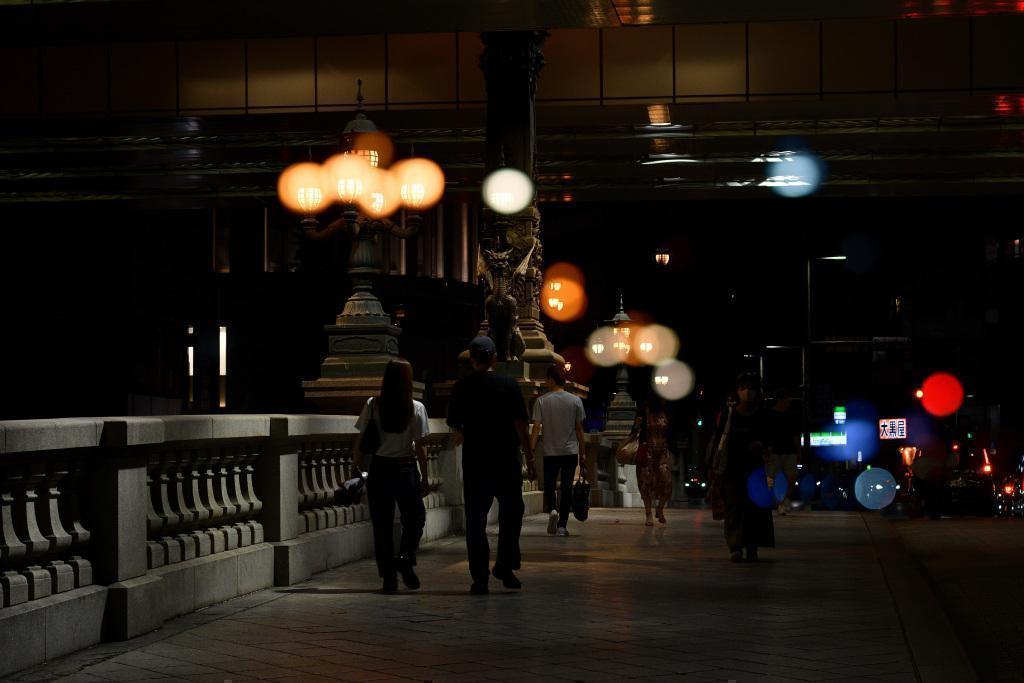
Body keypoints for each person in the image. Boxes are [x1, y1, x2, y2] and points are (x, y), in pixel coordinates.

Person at [447, 336, 537, 595]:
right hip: (506, 459)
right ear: (495, 358)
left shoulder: (461, 387)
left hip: (476, 461)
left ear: (472, 359)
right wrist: (529, 458)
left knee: (476, 520)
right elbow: (521, 424)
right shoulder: (508, 384)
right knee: (512, 512)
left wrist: (464, 432)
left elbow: (455, 423)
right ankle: (505, 564)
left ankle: (480, 578)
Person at [354, 359, 431, 593]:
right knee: (415, 517)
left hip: (379, 468)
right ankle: (405, 557)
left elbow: (361, 440)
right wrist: (425, 477)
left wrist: (355, 467)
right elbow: (421, 447)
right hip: (404, 468)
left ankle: (388, 577)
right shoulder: (416, 407)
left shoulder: (373, 404)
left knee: (382, 524)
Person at [709, 373, 774, 562]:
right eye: (744, 388)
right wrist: (714, 467)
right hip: (732, 468)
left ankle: (752, 546)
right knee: (734, 508)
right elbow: (719, 440)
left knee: (755, 509)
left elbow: (771, 437)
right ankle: (735, 547)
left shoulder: (762, 414)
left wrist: (761, 444)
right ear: (737, 391)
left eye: (752, 388)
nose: (748, 392)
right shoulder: (729, 414)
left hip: (755, 468)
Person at [530, 364, 586, 537]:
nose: (546, 382)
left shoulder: (541, 401)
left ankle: (552, 509)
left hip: (550, 451)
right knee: (567, 487)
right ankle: (562, 525)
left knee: (549, 484)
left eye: (547, 379)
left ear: (551, 379)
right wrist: (582, 452)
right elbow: (579, 429)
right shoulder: (575, 401)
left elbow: (536, 427)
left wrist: (530, 449)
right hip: (570, 451)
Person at [632, 396, 673, 526]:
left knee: (667, 481)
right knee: (646, 483)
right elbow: (634, 431)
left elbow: (673, 431)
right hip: (647, 451)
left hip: (663, 451)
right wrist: (637, 425)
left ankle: (659, 509)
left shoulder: (667, 410)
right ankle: (648, 514)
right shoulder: (644, 411)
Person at [767, 388, 801, 514]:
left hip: (789, 450)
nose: (789, 401)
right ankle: (778, 501)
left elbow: (796, 435)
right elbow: (767, 433)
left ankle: (783, 499)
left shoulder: (792, 415)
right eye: (787, 399)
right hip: (774, 451)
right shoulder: (770, 415)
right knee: (771, 478)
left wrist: (799, 451)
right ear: (780, 400)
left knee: (792, 478)